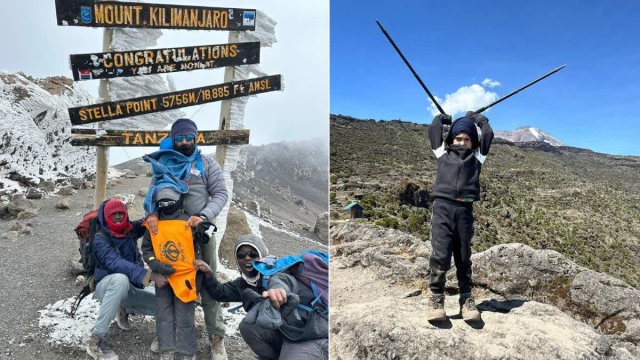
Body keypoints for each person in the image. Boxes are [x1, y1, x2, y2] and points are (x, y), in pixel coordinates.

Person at [144, 118, 229, 360]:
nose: (183, 142)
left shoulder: (207, 163)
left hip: (203, 231)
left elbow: (221, 193)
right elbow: (153, 193)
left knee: (208, 280)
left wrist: (203, 216)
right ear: (174, 138)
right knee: (169, 279)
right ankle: (168, 336)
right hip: (170, 233)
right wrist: (151, 214)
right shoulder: (164, 162)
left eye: (188, 137)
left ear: (195, 138)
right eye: (179, 138)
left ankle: (216, 337)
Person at [194, 235, 329, 360]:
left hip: (311, 335)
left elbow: (284, 281)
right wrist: (208, 274)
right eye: (241, 255)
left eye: (252, 254)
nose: (247, 258)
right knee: (248, 327)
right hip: (288, 333)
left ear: (261, 255)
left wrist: (277, 289)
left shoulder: (276, 270)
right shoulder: (244, 284)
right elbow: (220, 293)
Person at [426, 112, 494, 322]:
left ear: (472, 141)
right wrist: (442, 119)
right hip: (442, 209)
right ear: (451, 139)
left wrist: (478, 120)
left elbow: (488, 135)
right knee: (441, 254)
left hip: (465, 212)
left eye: (466, 139)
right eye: (458, 138)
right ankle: (436, 299)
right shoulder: (441, 153)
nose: (462, 142)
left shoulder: (477, 158)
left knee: (464, 257)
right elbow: (433, 129)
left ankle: (466, 299)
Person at [87, 198, 166, 360]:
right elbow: (115, 263)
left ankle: (123, 309)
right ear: (107, 216)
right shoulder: (100, 238)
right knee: (121, 279)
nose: (117, 217)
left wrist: (156, 215)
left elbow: (147, 223)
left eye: (121, 213)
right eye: (113, 214)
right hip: (107, 287)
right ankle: (97, 342)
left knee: (164, 302)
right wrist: (148, 276)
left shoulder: (129, 229)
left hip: (130, 288)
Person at [141, 188, 212, 360]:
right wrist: (157, 266)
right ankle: (166, 349)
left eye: (169, 202)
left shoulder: (189, 222)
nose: (166, 205)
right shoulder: (153, 223)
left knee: (185, 315)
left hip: (185, 279)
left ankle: (187, 351)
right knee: (163, 313)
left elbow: (197, 248)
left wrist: (197, 266)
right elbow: (147, 249)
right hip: (163, 278)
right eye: (162, 203)